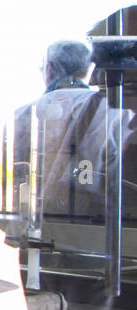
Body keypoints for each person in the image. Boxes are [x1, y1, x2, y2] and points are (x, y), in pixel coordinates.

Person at [13, 40, 137, 225]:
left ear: (48, 69)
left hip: (41, 223)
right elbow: (91, 169)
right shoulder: (114, 111)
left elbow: (21, 175)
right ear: (87, 69)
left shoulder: (25, 112)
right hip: (100, 222)